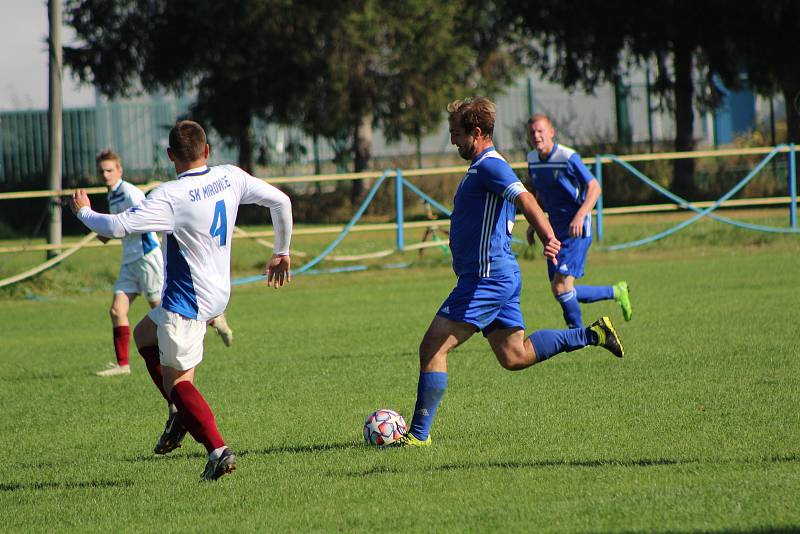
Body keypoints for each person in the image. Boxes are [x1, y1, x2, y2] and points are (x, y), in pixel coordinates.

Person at [394, 97, 624, 448]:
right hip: (494, 276)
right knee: (514, 357)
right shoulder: (482, 167)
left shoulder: (490, 165)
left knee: (432, 349)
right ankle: (592, 335)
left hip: (486, 280)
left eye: (456, 134)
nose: (453, 141)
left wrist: (549, 236)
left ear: (476, 132)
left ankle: (417, 436)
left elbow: (526, 200)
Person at [71, 120, 293, 481]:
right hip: (219, 292)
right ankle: (178, 414)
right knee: (144, 335)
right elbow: (281, 201)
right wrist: (281, 251)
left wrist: (83, 211)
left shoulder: (170, 195)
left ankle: (217, 450)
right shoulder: (229, 176)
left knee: (180, 384)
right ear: (207, 151)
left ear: (171, 155)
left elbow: (116, 227)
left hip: (187, 303)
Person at [93, 150, 235, 377]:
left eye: (109, 170)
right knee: (116, 310)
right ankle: (122, 365)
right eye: (101, 171)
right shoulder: (113, 195)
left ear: (119, 170)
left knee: (165, 312)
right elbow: (113, 230)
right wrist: (90, 221)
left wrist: (94, 219)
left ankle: (211, 318)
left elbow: (144, 218)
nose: (105, 175)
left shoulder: (130, 192)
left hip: (146, 257)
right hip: (129, 261)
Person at [526, 113, 632, 328]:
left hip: (576, 230)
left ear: (552, 132)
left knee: (561, 287)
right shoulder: (532, 160)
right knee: (562, 290)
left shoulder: (567, 157)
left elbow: (594, 187)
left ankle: (578, 335)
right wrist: (533, 224)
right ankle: (616, 291)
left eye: (540, 131)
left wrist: (581, 214)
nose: (536, 135)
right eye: (532, 132)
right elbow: (540, 194)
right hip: (553, 232)